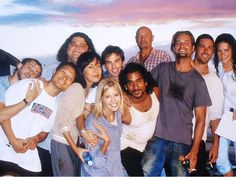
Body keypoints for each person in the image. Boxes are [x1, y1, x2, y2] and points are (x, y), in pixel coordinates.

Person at [141, 31, 212, 176]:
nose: (182, 46)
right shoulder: (162, 69)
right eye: (178, 42)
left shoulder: (198, 81)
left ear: (193, 48)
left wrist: (194, 151)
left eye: (186, 42)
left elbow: (200, 120)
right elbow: (142, 85)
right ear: (173, 48)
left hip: (182, 142)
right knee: (145, 174)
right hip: (158, 138)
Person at [0, 62, 77, 176]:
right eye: (63, 72)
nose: (65, 78)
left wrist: (35, 139)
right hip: (4, 150)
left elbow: (44, 132)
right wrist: (13, 140)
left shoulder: (57, 105)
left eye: (70, 78)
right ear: (54, 71)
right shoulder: (28, 85)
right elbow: (3, 114)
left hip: (29, 159)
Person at [51, 51, 103, 176]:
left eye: (98, 66)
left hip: (70, 142)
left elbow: (78, 117)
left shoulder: (86, 89)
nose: (96, 70)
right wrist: (76, 149)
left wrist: (84, 132)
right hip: (62, 141)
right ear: (82, 70)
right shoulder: (77, 88)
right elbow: (62, 121)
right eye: (90, 67)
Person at [119, 63, 160, 176]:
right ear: (126, 86)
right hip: (127, 147)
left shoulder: (155, 93)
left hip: (147, 145)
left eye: (139, 81)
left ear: (146, 82)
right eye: (130, 83)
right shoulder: (124, 107)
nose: (135, 87)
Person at [81, 76, 127, 176]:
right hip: (97, 172)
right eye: (108, 96)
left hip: (115, 168)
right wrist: (106, 141)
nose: (113, 101)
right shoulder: (93, 122)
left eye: (116, 95)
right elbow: (96, 162)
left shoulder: (117, 113)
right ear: (101, 98)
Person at [192, 34, 224, 176]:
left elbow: (215, 117)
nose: (206, 51)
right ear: (194, 48)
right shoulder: (181, 71)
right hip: (174, 137)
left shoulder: (214, 81)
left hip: (198, 139)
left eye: (210, 47)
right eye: (202, 46)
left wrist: (216, 145)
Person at [213, 33, 236, 176]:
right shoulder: (217, 68)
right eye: (219, 51)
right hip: (226, 118)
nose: (223, 54)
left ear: (233, 49)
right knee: (221, 161)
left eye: (226, 50)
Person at [0, 58, 42, 123]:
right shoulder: (1, 83)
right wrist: (26, 101)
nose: (31, 72)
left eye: (36, 73)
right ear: (19, 66)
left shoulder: (26, 92)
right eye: (29, 67)